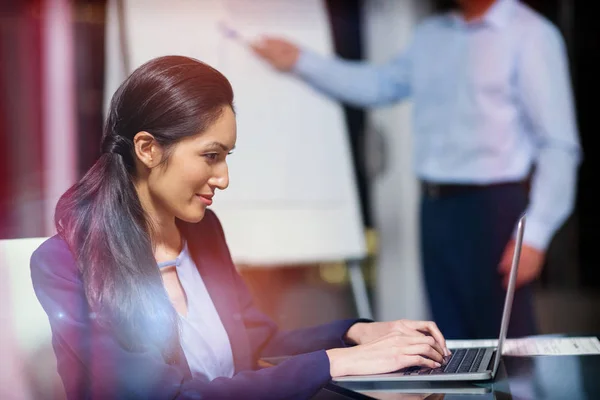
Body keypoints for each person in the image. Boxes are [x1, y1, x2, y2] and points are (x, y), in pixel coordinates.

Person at [30, 55, 450, 400]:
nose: (224, 178)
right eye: (211, 156)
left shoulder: (203, 231)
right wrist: (335, 363)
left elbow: (256, 345)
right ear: (147, 148)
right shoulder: (63, 264)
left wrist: (353, 334)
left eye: (227, 156)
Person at [251, 0, 581, 340]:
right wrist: (301, 61)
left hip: (494, 209)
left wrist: (537, 233)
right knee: (449, 340)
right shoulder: (430, 36)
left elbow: (558, 144)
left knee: (507, 344)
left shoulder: (532, 34)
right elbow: (378, 86)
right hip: (435, 208)